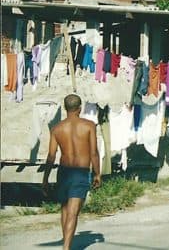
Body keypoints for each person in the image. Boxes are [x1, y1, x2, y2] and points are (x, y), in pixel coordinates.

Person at [42, 94, 101, 250]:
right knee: (73, 212)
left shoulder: (56, 129)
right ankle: (66, 247)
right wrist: (97, 173)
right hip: (80, 172)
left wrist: (45, 178)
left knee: (65, 208)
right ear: (80, 109)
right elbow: (94, 152)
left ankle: (66, 242)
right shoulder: (89, 126)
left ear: (64, 108)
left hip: (63, 172)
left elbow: (51, 156)